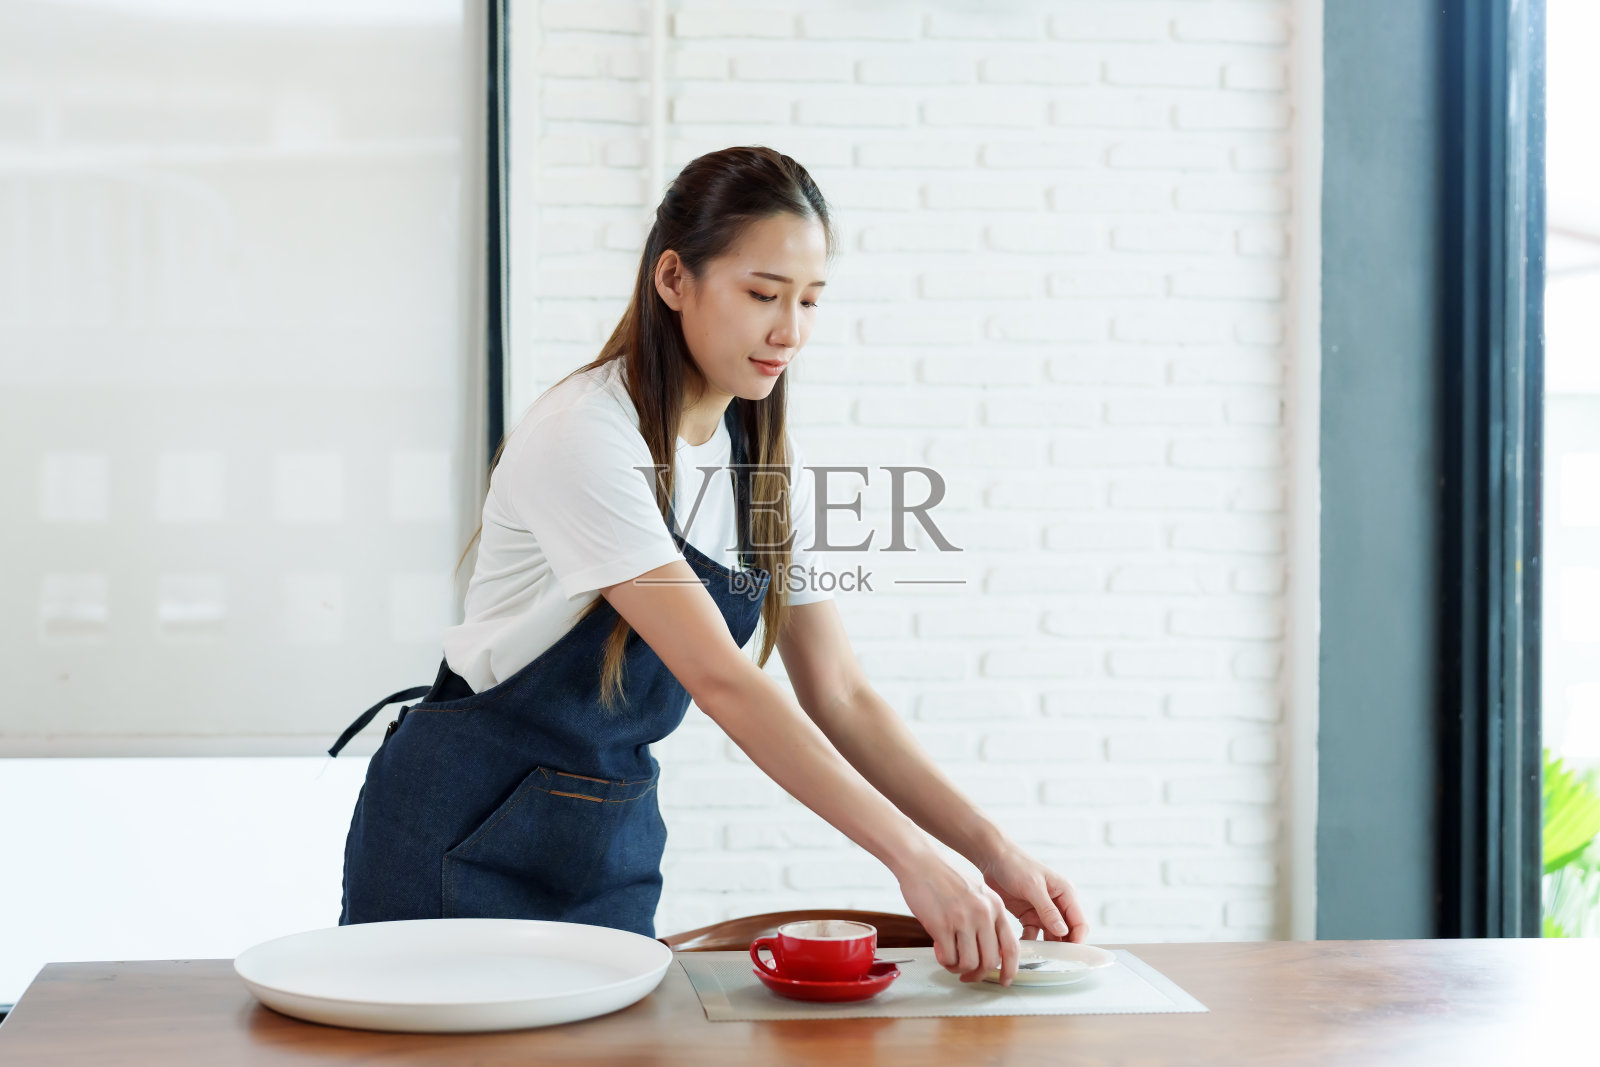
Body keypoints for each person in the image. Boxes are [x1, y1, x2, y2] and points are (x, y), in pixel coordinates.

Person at [329, 146, 1087, 986]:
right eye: (762, 294)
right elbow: (724, 680)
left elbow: (839, 692)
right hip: (457, 843)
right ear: (673, 279)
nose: (789, 330)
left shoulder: (756, 461)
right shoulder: (589, 434)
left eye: (809, 300)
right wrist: (912, 860)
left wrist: (993, 855)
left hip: (601, 848)